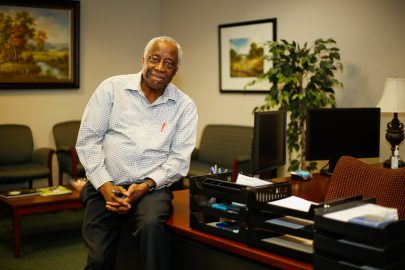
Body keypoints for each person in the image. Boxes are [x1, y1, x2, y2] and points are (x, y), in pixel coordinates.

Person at [76, 36, 198, 270]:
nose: (160, 68)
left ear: (176, 71)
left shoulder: (185, 106)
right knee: (99, 259)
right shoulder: (111, 89)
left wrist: (146, 185)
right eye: (155, 59)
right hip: (105, 183)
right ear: (143, 60)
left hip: (152, 187)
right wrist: (106, 187)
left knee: (152, 227)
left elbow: (179, 160)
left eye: (169, 63)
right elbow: (88, 141)